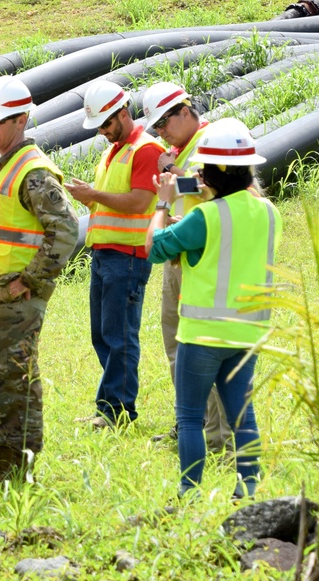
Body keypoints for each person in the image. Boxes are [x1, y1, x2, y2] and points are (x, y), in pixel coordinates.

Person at [145, 117, 281, 499]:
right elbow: (230, 242)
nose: (199, 174)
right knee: (243, 415)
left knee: (189, 417)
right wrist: (187, 220)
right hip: (248, 333)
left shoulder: (206, 216)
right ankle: (248, 489)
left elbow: (153, 247)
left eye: (203, 168)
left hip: (203, 335)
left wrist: (163, 203)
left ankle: (189, 492)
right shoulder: (270, 212)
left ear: (217, 173)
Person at [0, 76, 80, 482]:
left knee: (13, 379)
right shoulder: (1, 164)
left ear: (21, 119)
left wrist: (30, 280)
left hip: (15, 294)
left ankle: (19, 466)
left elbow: (66, 230)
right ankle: (6, 461)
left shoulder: (33, 171)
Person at [65, 81, 163, 429]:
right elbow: (112, 200)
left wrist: (95, 195)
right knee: (102, 335)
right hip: (106, 254)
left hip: (129, 257)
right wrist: (87, 197)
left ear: (124, 113)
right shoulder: (117, 149)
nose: (104, 132)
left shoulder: (146, 149)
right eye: (100, 127)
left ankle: (118, 412)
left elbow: (140, 201)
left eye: (107, 124)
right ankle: (109, 407)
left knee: (120, 336)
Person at [141, 81, 232, 451]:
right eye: (157, 127)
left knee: (202, 349)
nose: (161, 132)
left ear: (184, 110)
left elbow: (219, 187)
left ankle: (217, 436)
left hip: (202, 259)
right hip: (178, 255)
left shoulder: (215, 141)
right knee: (177, 347)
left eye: (164, 123)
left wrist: (175, 174)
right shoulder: (179, 149)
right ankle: (190, 423)